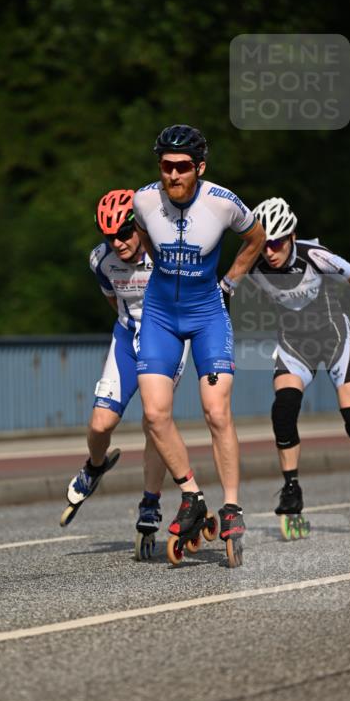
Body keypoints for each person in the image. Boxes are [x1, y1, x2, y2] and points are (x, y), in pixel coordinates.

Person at [133, 124, 266, 562]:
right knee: (154, 414)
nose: (173, 175)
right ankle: (192, 494)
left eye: (182, 167)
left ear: (199, 168)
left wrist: (230, 282)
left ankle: (231, 506)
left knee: (215, 410)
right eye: (166, 167)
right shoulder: (144, 200)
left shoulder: (223, 203)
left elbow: (257, 237)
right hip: (159, 315)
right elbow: (148, 240)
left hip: (208, 313)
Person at [247, 195, 350, 534]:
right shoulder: (252, 264)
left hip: (333, 336)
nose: (270, 252)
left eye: (276, 243)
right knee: (284, 407)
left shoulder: (315, 256)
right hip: (295, 343)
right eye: (264, 245)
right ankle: (291, 487)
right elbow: (225, 294)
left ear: (292, 236)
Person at [63, 188, 189, 555]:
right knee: (101, 424)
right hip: (128, 336)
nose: (118, 243)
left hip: (167, 340)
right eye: (110, 236)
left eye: (125, 233)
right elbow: (113, 301)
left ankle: (150, 503)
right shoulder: (101, 261)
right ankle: (95, 466)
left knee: (155, 421)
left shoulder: (168, 252)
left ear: (141, 226)